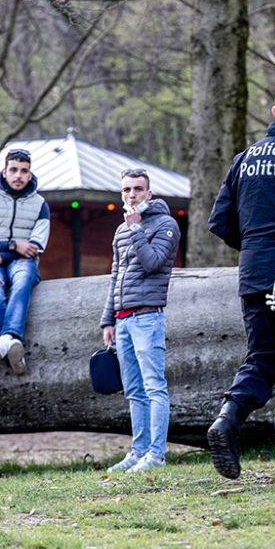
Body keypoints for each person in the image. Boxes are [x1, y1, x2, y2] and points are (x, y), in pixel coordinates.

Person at [205, 71, 275, 479]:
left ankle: (227, 419)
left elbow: (219, 222)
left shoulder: (244, 158)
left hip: (252, 273)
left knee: (261, 359)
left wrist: (255, 247)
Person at [100, 169, 181, 473]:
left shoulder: (166, 224)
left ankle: (156, 456)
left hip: (148, 317)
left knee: (154, 387)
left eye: (137, 189)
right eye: (126, 190)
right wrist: (108, 320)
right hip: (122, 321)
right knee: (133, 390)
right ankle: (138, 452)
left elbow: (153, 263)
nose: (131, 195)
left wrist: (135, 229)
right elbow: (115, 277)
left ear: (149, 192)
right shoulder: (121, 230)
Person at [0, 148, 50, 376]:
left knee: (23, 279)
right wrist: (14, 246)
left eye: (24, 171)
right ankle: (14, 343)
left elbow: (35, 248)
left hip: (21, 262)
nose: (18, 176)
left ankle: (6, 339)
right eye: (13, 170)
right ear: (4, 172)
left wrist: (0, 256)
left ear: (29, 173)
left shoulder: (40, 204)